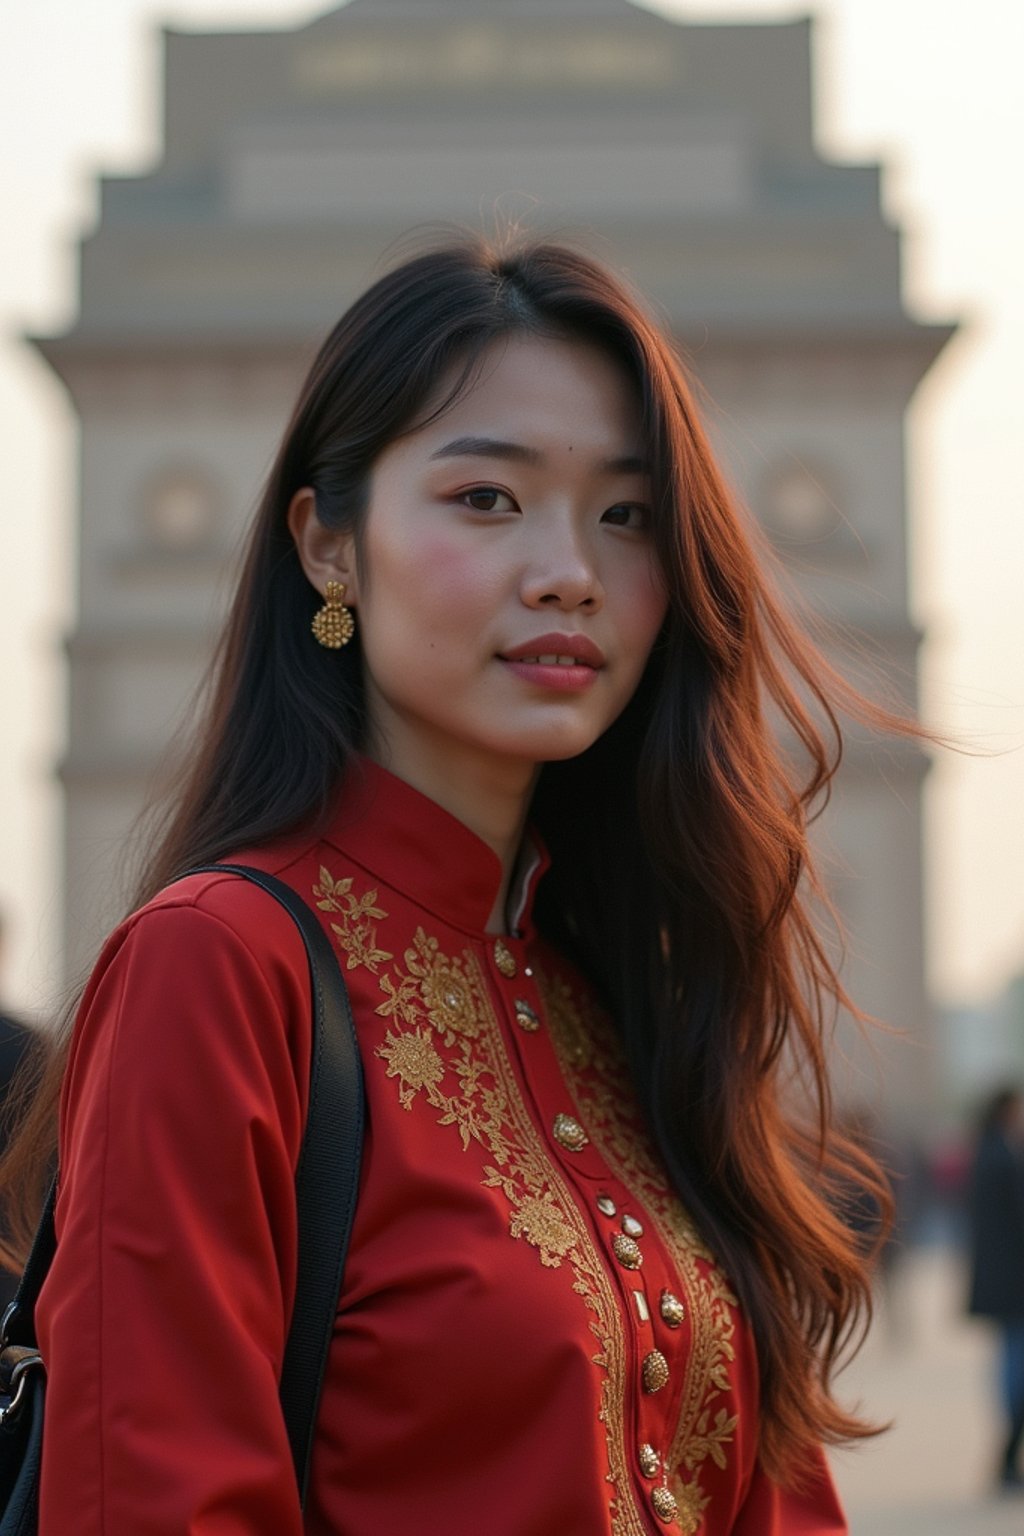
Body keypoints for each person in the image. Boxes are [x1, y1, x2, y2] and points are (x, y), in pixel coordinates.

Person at [0, 236, 910, 1534]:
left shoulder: (630, 996)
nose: (569, 571)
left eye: (627, 514)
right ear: (328, 546)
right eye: (488, 498)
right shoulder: (219, 972)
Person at [966, 1084, 1024, 1492]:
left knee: (1011, 1363)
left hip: (1003, 1283)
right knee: (1015, 1370)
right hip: (1013, 1285)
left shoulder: (988, 1152)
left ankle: (1007, 1454)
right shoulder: (1003, 1158)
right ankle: (1007, 1453)